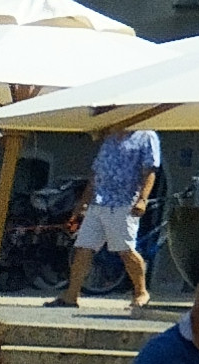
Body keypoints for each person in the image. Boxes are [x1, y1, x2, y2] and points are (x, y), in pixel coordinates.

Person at [62, 121, 161, 310]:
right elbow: (96, 174)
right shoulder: (110, 138)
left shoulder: (146, 135)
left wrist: (143, 200)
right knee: (83, 248)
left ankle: (141, 292)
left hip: (123, 203)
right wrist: (82, 204)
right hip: (98, 203)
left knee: (125, 250)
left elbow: (150, 172)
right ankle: (71, 295)